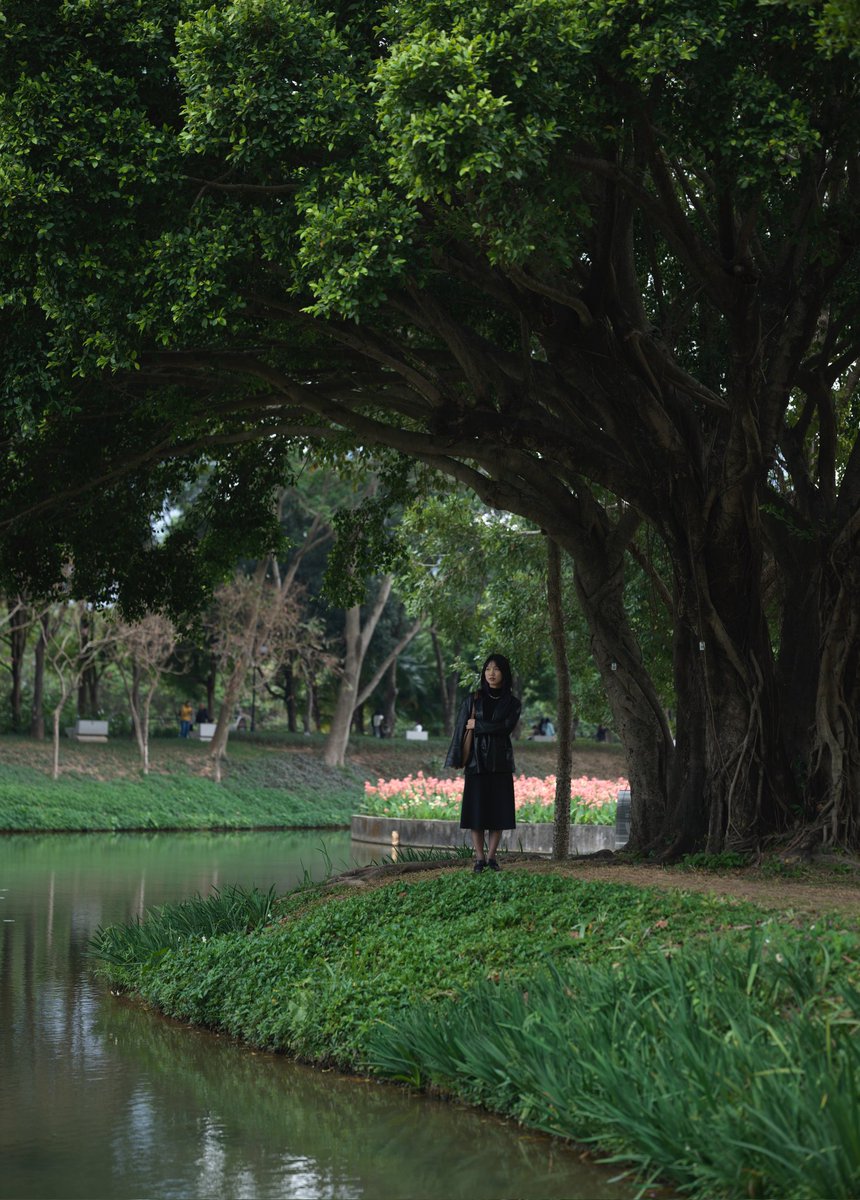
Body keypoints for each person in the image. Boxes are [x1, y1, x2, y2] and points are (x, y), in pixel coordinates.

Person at [445, 653, 521, 873]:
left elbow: (505, 728)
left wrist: (477, 725)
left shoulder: (513, 703)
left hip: (501, 764)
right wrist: (456, 758)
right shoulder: (472, 699)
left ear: (504, 673)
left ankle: (491, 857)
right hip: (476, 764)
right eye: (488, 669)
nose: (491, 673)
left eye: (496, 669)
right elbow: (460, 729)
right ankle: (479, 858)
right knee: (476, 813)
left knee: (498, 813)